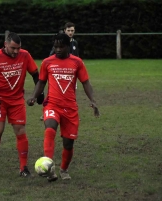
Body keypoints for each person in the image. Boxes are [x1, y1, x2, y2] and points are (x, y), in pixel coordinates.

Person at [27, 33, 99, 182]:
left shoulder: (77, 62)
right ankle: (49, 169)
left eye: (61, 46)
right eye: (55, 46)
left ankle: (64, 169)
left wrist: (93, 100)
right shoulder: (47, 62)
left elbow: (85, 82)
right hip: (52, 104)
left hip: (70, 108)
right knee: (50, 129)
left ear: (68, 46)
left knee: (68, 143)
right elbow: (41, 81)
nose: (58, 49)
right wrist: (34, 96)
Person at [0, 32, 44, 177]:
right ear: (5, 45)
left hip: (16, 101)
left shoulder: (25, 55)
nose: (16, 52)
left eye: (18, 48)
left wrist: (39, 93)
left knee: (21, 132)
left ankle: (23, 168)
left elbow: (36, 74)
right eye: (13, 48)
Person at [40, 22, 80, 121]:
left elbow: (77, 57)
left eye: (72, 31)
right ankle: (46, 111)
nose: (70, 32)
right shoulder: (59, 43)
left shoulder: (74, 43)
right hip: (58, 72)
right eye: (69, 30)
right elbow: (51, 57)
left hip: (70, 72)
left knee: (71, 93)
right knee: (52, 94)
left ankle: (71, 111)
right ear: (65, 30)